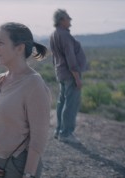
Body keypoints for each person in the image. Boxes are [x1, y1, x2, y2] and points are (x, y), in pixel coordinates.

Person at [0, 22, 51, 178]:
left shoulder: (34, 84)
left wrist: (28, 174)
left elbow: (39, 138)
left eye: (1, 43)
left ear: (19, 48)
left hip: (15, 166)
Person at [50, 9, 88, 143]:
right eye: (68, 18)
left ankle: (59, 130)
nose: (70, 20)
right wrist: (77, 77)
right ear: (61, 20)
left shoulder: (54, 34)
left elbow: (54, 57)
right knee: (71, 103)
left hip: (61, 73)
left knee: (62, 102)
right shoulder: (65, 36)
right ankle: (66, 134)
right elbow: (71, 58)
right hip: (70, 74)